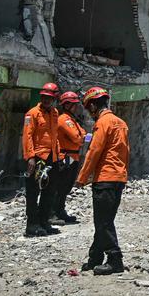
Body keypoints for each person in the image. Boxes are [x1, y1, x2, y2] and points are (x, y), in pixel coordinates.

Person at [75, 86, 129, 276]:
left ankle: (115, 260)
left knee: (103, 222)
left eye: (88, 107)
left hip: (105, 178)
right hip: (118, 178)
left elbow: (94, 152)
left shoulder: (103, 123)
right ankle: (95, 258)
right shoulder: (120, 123)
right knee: (104, 221)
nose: (89, 112)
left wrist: (82, 177)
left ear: (93, 105)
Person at [23, 82, 62, 237]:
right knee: (33, 193)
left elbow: (55, 137)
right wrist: (30, 157)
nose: (46, 100)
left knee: (49, 192)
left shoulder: (54, 113)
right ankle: (32, 225)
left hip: (51, 158)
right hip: (37, 158)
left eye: (49, 98)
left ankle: (44, 222)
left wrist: (58, 156)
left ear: (54, 99)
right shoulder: (31, 114)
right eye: (44, 97)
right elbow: (27, 136)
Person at [52, 91, 87, 224]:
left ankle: (60, 211)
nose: (77, 107)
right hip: (66, 156)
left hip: (72, 156)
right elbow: (78, 137)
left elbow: (82, 134)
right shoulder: (64, 120)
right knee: (60, 185)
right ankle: (53, 212)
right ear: (68, 105)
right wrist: (81, 137)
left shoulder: (72, 119)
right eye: (74, 105)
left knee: (66, 186)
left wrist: (82, 137)